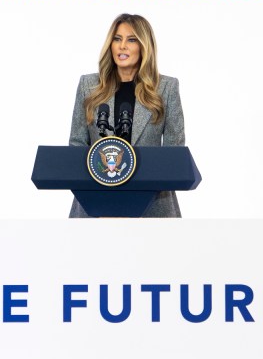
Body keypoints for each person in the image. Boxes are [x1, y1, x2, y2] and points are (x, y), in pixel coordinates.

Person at [68, 13, 185, 217]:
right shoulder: (89, 86)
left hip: (152, 207)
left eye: (131, 40)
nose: (122, 46)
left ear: (144, 46)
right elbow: (77, 145)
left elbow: (174, 155)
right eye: (117, 39)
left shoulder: (166, 88)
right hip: (95, 203)